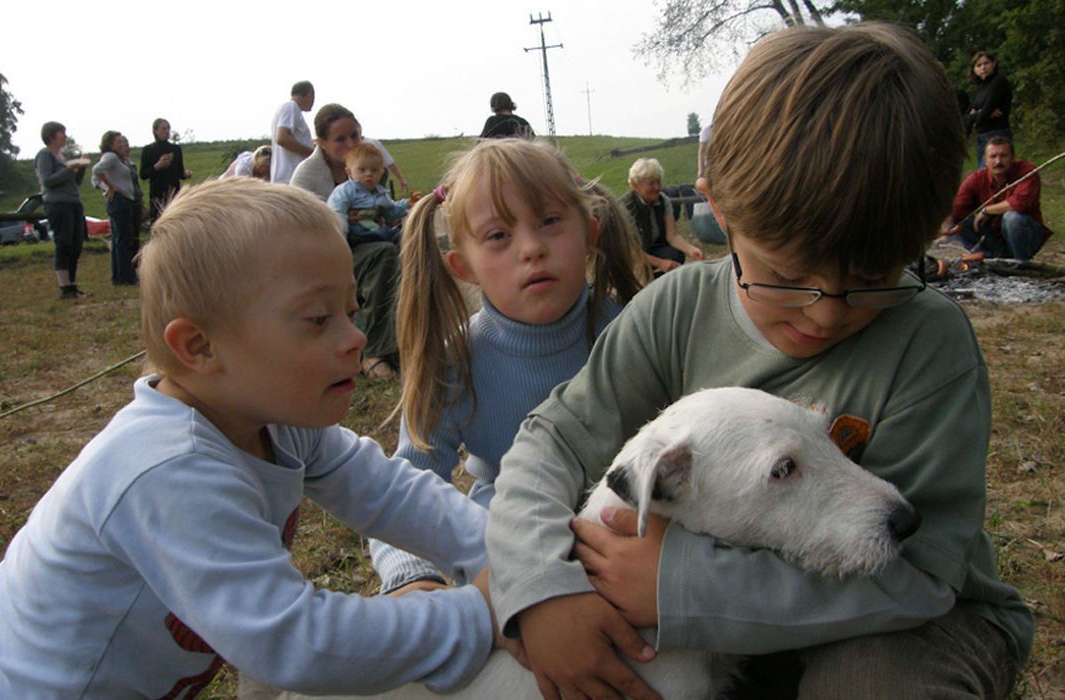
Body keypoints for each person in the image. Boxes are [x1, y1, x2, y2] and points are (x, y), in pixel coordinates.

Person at [487, 22, 1033, 700]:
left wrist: (681, 585)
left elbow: (921, 576)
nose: (827, 310)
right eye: (785, 273)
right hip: (725, 633)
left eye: (872, 275)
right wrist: (539, 590)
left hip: (908, 620)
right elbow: (552, 444)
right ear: (716, 208)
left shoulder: (929, 345)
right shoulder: (676, 307)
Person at [0, 178, 514, 699]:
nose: (354, 338)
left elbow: (389, 492)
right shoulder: (165, 469)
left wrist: (517, 562)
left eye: (351, 311)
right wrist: (477, 614)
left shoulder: (277, 416)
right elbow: (294, 641)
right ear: (200, 347)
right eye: (318, 318)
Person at [369, 138, 649, 595]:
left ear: (589, 234)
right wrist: (408, 572)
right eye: (499, 236)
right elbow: (407, 487)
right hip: (503, 546)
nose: (532, 248)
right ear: (464, 267)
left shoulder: (632, 334)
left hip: (622, 536)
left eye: (551, 221)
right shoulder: (454, 359)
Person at [289, 104, 400, 379]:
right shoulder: (307, 175)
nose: (350, 143)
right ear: (322, 143)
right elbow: (294, 229)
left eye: (355, 136)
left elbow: (385, 211)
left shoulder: (369, 164)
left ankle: (407, 341)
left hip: (364, 243)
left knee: (409, 249)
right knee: (384, 255)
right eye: (340, 139)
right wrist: (338, 221)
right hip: (322, 254)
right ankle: (372, 351)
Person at [941, 136, 1052, 261]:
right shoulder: (977, 179)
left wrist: (986, 210)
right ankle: (984, 258)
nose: (998, 161)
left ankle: (1021, 262)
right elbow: (957, 208)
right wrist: (946, 231)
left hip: (1026, 237)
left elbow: (1020, 202)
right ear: (985, 160)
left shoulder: (1026, 170)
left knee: (1012, 218)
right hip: (993, 238)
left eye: (1003, 156)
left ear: (1013, 158)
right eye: (993, 156)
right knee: (960, 222)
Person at [34, 121, 91, 300]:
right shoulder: (44, 155)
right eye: (61, 133)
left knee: (76, 244)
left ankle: (72, 285)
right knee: (64, 243)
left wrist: (80, 168)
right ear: (51, 136)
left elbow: (74, 183)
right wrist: (68, 169)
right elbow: (48, 181)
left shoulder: (65, 155)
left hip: (73, 202)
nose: (65, 136)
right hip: (57, 203)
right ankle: (64, 287)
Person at [620, 157, 705, 275]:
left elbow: (673, 236)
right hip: (631, 255)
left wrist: (691, 250)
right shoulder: (625, 207)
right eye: (651, 183)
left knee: (675, 255)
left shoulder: (663, 200)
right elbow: (630, 250)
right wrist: (660, 263)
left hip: (652, 249)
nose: (657, 187)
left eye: (658, 182)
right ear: (635, 185)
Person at [328, 142, 419, 247]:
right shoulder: (345, 191)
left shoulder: (380, 193)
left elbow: (390, 212)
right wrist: (341, 240)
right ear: (349, 172)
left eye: (374, 170)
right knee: (390, 235)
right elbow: (337, 214)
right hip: (354, 233)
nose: (369, 174)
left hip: (373, 230)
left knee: (402, 235)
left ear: (381, 173)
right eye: (362, 170)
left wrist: (407, 204)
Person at [92, 131, 142, 286]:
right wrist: (110, 187)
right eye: (118, 142)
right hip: (120, 201)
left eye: (123, 141)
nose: (122, 144)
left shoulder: (119, 160)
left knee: (118, 239)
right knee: (123, 240)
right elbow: (96, 172)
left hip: (125, 200)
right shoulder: (111, 157)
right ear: (110, 144)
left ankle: (119, 276)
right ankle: (127, 276)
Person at [964, 51, 1013, 168]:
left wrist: (979, 115)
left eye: (986, 63)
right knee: (984, 178)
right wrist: (980, 115)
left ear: (994, 63)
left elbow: (985, 112)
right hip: (981, 138)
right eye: (979, 65)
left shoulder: (999, 82)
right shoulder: (980, 89)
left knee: (996, 174)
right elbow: (966, 118)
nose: (983, 67)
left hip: (997, 136)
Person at [139, 118, 192, 224]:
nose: (166, 131)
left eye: (168, 128)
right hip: (157, 193)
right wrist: (157, 166)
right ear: (156, 131)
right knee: (159, 222)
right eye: (163, 129)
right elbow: (143, 174)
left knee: (176, 221)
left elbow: (179, 171)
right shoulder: (149, 150)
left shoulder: (175, 149)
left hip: (173, 190)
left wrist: (186, 174)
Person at [270, 80, 316, 183]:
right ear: (310, 94)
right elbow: (282, 138)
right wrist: (313, 154)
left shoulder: (287, 108)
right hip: (290, 178)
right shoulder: (291, 107)